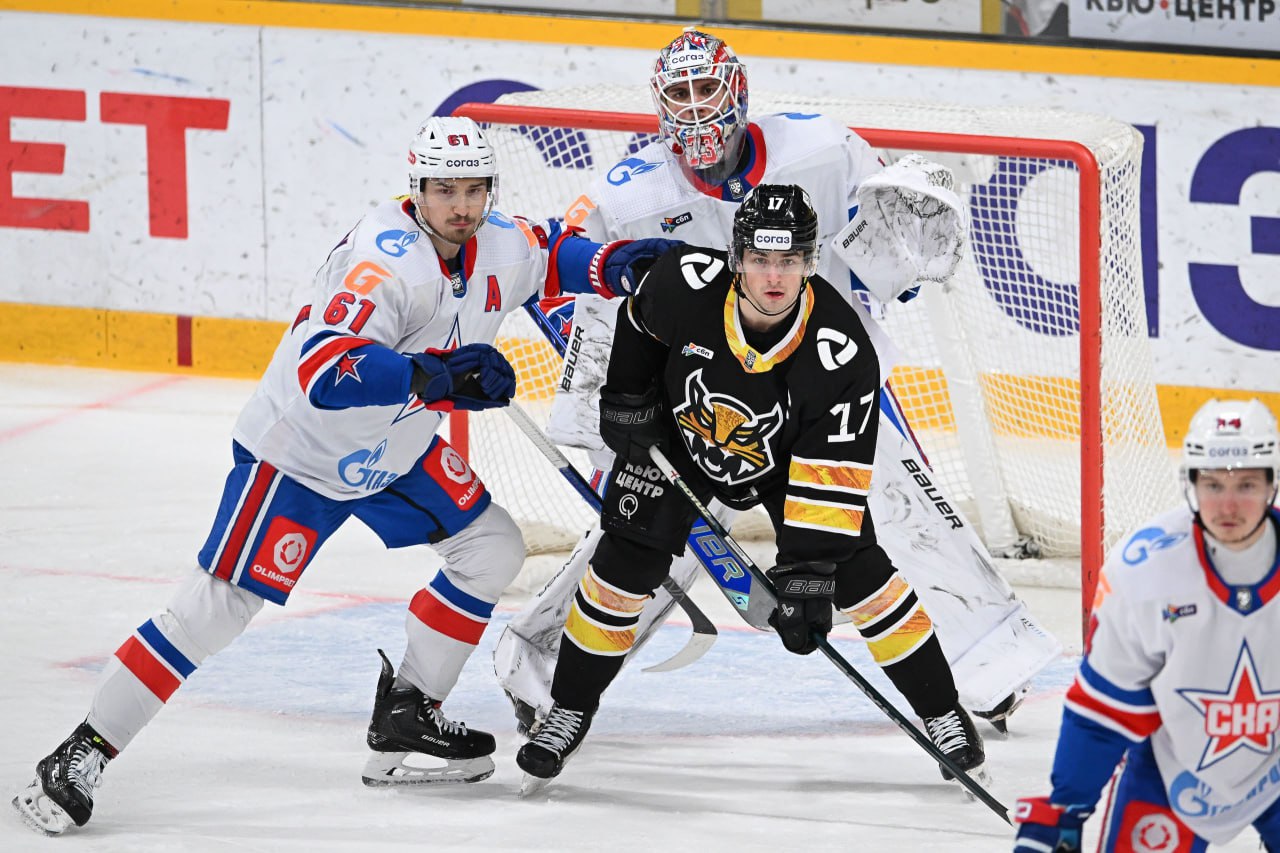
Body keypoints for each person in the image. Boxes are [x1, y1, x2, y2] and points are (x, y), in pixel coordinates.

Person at [10, 115, 674, 837]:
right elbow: (323, 369)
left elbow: (548, 252)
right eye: (444, 190)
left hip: (395, 453)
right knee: (216, 607)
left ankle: (408, 712)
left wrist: (618, 264)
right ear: (416, 188)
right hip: (302, 453)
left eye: (474, 189)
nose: (461, 206)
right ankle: (82, 750)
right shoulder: (382, 261)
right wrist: (436, 376)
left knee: (491, 549)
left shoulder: (495, 240)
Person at [495, 26, 1058, 741]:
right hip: (699, 402)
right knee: (640, 539)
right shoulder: (627, 194)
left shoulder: (821, 146)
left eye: (706, 88)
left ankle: (991, 663)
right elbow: (581, 281)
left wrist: (901, 257)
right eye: (679, 93)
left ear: (738, 92)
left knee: (902, 507)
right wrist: (607, 402)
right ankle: (543, 674)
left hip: (826, 385)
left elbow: (885, 235)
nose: (695, 107)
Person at [515, 183, 987, 790]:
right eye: (761, 259)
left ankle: (943, 714)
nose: (774, 276)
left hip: (787, 464)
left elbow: (830, 474)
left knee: (864, 577)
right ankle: (569, 711)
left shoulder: (842, 353)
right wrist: (629, 396)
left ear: (810, 262)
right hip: (681, 438)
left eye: (789, 260)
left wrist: (809, 577)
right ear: (736, 257)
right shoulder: (682, 282)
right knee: (622, 567)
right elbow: (637, 323)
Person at [1013, 399, 1280, 852]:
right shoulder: (1146, 572)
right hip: (1174, 767)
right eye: (1213, 484)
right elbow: (1103, 709)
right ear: (1191, 483)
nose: (1228, 504)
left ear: (1272, 484)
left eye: (1247, 484)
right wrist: (1066, 807)